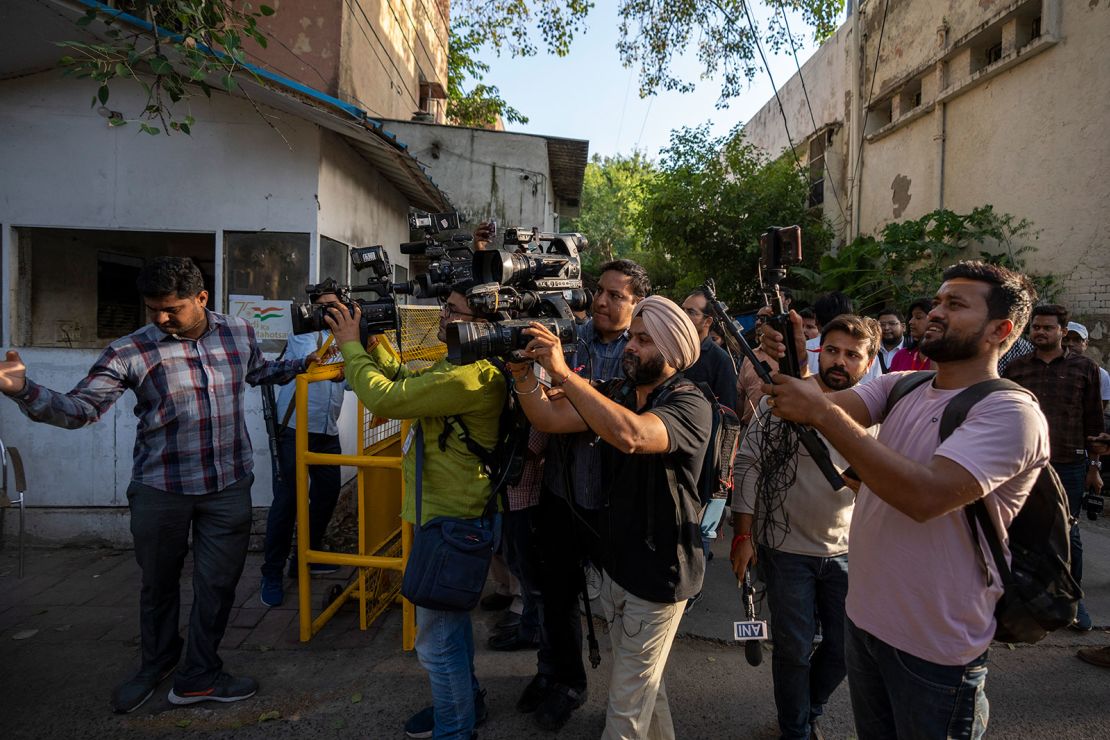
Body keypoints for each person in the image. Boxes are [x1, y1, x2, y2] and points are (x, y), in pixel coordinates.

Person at [0, 257, 309, 713]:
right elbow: (81, 408)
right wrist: (24, 391)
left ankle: (200, 675)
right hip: (160, 488)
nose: (162, 319)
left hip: (227, 485)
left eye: (173, 309)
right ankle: (157, 663)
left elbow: (260, 372)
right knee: (159, 583)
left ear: (201, 298)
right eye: (153, 310)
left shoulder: (238, 333)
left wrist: (314, 365)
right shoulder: (129, 351)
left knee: (218, 585)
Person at [762, 260, 1048, 739]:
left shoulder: (1011, 412)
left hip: (935, 651)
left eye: (955, 304)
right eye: (937, 300)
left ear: (1001, 329)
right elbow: (814, 406)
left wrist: (819, 411)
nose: (934, 311)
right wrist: (794, 363)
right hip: (867, 625)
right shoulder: (904, 385)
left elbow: (922, 495)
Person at [512, 295, 711, 740]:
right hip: (617, 567)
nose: (630, 347)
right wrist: (524, 373)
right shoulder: (618, 392)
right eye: (632, 338)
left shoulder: (690, 403)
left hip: (660, 575)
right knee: (644, 689)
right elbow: (547, 416)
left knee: (623, 717)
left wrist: (565, 374)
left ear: (673, 351)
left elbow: (634, 436)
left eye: (643, 340)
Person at [326, 284, 508, 740]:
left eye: (454, 311)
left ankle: (454, 728)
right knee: (451, 627)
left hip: (453, 519)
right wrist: (373, 345)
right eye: (445, 308)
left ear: (483, 325)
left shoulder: (473, 377)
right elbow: (409, 385)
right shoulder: (461, 366)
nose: (443, 317)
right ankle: (468, 705)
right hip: (446, 515)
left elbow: (388, 399)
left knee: (436, 643)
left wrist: (348, 346)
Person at [732, 314, 878, 739]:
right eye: (832, 350)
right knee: (793, 649)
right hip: (785, 548)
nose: (840, 361)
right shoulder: (785, 401)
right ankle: (795, 728)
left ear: (868, 363)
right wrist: (743, 535)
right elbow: (749, 463)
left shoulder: (877, 414)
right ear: (819, 351)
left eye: (853, 355)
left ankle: (808, 706)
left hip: (847, 552)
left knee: (844, 648)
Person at [520, 259, 650, 731]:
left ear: (636, 306)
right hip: (560, 490)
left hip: (613, 503)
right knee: (554, 595)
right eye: (600, 290)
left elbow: (618, 410)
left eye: (616, 295)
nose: (601, 300)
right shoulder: (569, 338)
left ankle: (626, 703)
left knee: (622, 609)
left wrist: (574, 391)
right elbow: (546, 399)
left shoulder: (640, 353)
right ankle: (562, 681)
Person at [1003, 304, 1104, 631]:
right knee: (1016, 530)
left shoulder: (1085, 369)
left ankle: (1072, 601)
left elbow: (1094, 422)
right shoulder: (1016, 369)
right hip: (1023, 464)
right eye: (1036, 328)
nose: (1040, 333)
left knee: (1068, 532)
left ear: (1063, 332)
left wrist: (1095, 466)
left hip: (1069, 463)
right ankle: (1021, 599)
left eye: (1048, 327)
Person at [260, 282, 347, 608]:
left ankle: (304, 560)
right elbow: (309, 362)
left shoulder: (345, 337)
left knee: (327, 494)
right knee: (288, 501)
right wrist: (339, 359)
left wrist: (350, 359)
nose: (329, 312)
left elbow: (351, 381)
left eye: (334, 305)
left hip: (326, 429)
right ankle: (271, 571)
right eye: (323, 306)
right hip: (294, 428)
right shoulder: (303, 333)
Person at [679, 288, 739, 611]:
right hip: (677, 456)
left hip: (710, 461)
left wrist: (722, 472)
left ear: (708, 321)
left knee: (702, 527)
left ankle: (692, 587)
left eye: (692, 311)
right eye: (683, 309)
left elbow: (730, 417)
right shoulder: (673, 351)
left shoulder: (719, 360)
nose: (685, 315)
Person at [1064, 321, 1110, 410]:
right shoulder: (1049, 369)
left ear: (1086, 344)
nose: (1070, 344)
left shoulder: (1100, 374)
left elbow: (1099, 410)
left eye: (1077, 340)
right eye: (1066, 339)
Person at [888, 297, 933, 372]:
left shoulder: (944, 358)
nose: (910, 322)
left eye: (918, 317)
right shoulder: (901, 356)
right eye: (911, 317)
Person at [875, 307, 908, 373]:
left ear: (903, 327)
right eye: (882, 324)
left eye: (892, 324)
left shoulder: (912, 350)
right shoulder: (871, 349)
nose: (886, 328)